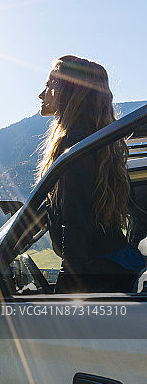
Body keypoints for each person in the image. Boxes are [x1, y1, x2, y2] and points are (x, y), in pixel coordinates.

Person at [37, 55, 144, 293]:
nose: (41, 94)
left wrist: (65, 291)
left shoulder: (74, 146)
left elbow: (75, 225)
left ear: (66, 90)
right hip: (115, 268)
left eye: (48, 85)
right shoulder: (100, 145)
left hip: (95, 277)